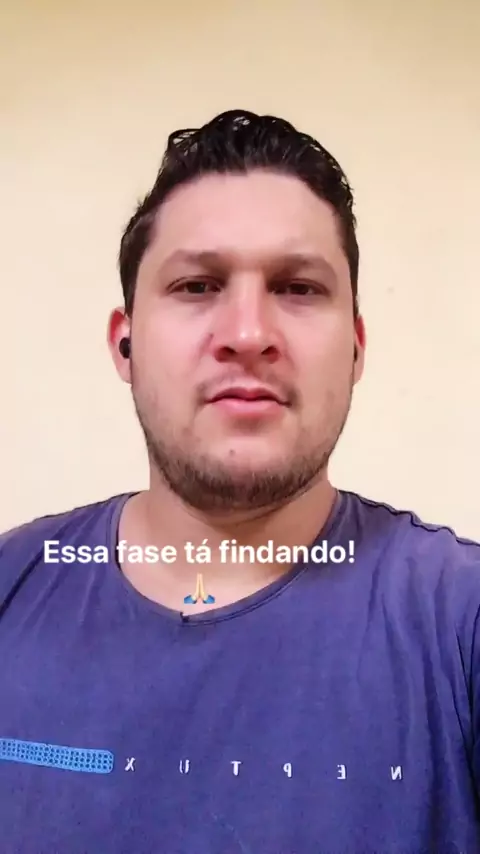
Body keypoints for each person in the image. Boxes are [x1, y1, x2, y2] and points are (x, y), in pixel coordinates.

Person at [0, 108, 479, 854]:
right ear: (125, 344)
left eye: (298, 288)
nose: (249, 334)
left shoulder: (459, 622)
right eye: (197, 285)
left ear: (356, 348)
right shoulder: (12, 587)